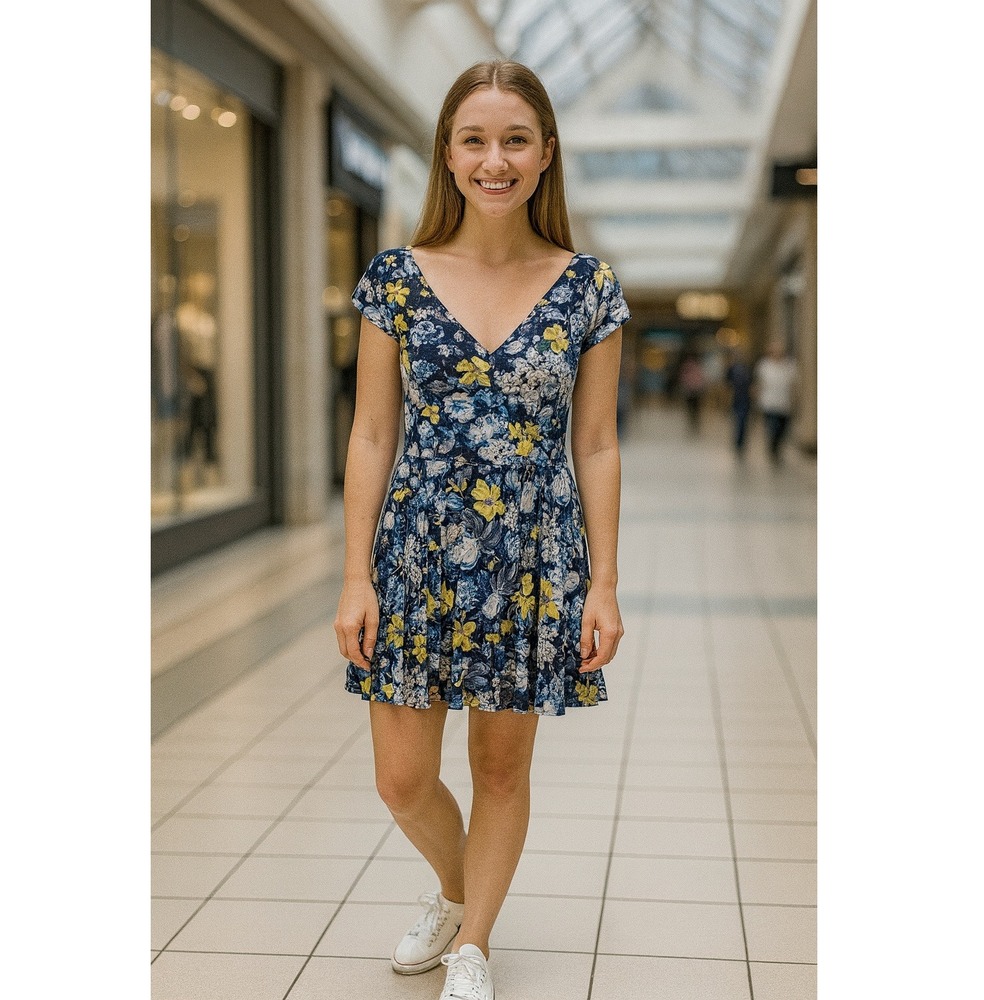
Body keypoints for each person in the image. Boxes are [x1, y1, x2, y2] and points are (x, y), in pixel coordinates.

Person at [334, 60, 629, 1000]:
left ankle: (476, 945)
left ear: (545, 155)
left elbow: (598, 446)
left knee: (501, 769)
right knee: (401, 779)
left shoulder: (587, 289)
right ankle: (461, 892)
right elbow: (373, 433)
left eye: (514, 140)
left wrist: (605, 584)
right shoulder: (397, 279)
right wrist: (354, 574)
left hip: (533, 561)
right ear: (448, 156)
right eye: (474, 139)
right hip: (414, 553)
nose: (493, 159)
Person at [754, 339, 798, 464]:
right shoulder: (764, 365)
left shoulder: (790, 365)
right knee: (773, 428)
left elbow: (793, 384)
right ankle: (773, 450)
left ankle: (777, 449)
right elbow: (759, 383)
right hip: (769, 403)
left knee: (783, 430)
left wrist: (794, 400)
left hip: (784, 403)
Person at [726, 347, 753, 457]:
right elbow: (727, 385)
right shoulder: (731, 369)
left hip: (745, 399)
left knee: (742, 421)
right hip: (736, 398)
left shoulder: (747, 368)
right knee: (739, 420)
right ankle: (738, 441)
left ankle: (740, 441)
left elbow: (752, 384)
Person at [677, 349, 706, 433]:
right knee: (693, 408)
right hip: (692, 390)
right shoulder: (694, 366)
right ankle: (693, 422)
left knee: (693, 408)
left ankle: (693, 422)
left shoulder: (690, 366)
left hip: (692, 390)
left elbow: (683, 378)